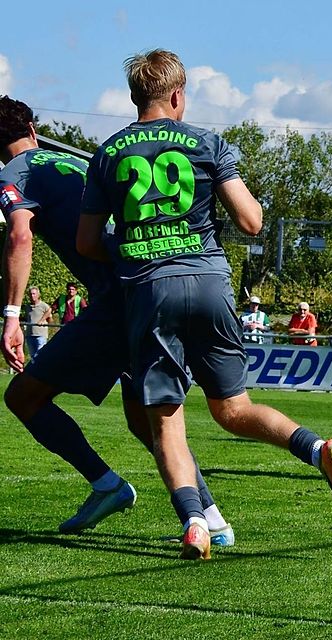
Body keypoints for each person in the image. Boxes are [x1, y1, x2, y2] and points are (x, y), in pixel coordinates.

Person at [76, 49, 332, 560]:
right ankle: (318, 448)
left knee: (166, 420)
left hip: (151, 288)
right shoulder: (208, 143)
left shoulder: (108, 153)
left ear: (136, 96)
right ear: (178, 96)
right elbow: (251, 222)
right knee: (233, 408)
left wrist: (138, 245)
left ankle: (194, 521)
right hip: (210, 281)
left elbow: (86, 242)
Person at [0, 94, 235, 544]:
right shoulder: (71, 161)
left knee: (24, 397)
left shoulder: (13, 175)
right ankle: (212, 518)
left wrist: (11, 314)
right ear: (32, 130)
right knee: (147, 418)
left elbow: (20, 235)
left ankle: (107, 484)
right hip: (148, 286)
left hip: (117, 300)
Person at [23, 286, 52, 357]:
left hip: (40, 335)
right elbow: (26, 318)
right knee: (33, 356)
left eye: (34, 294)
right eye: (30, 294)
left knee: (40, 355)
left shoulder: (44, 305)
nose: (32, 296)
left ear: (38, 295)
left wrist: (42, 320)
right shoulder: (27, 307)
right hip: (30, 335)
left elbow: (50, 315)